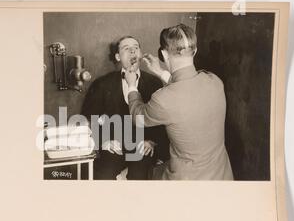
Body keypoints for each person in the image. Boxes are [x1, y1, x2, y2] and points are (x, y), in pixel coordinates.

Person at [125, 24, 233, 180]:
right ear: (194, 51)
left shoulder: (163, 99)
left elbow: (137, 117)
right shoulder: (214, 81)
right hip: (222, 178)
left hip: (186, 185)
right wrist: (161, 72)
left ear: (163, 54)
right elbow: (187, 91)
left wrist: (131, 86)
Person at [82, 35, 169, 180]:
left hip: (143, 147)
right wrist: (104, 141)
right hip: (113, 147)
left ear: (140, 55)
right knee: (104, 174)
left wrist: (152, 142)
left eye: (136, 48)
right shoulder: (102, 84)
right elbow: (89, 117)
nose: (132, 52)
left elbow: (161, 120)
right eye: (126, 49)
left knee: (139, 175)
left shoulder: (155, 83)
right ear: (117, 57)